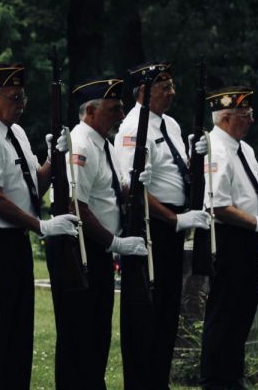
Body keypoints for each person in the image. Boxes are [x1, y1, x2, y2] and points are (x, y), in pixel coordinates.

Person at [0, 63, 78, 390]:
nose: (22, 104)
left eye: (23, 97)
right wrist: (41, 226)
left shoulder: (13, 131)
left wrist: (52, 158)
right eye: (14, 98)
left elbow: (33, 188)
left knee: (18, 333)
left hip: (15, 240)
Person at [113, 62, 211, 390]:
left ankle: (158, 380)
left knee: (168, 309)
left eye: (171, 85)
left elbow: (178, 171)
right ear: (144, 91)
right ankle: (140, 382)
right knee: (144, 310)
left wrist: (199, 158)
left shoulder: (169, 124)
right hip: (149, 225)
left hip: (173, 225)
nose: (172, 93)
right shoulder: (131, 128)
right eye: (164, 87)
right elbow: (132, 189)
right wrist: (172, 218)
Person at [49, 77, 147, 390]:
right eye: (113, 109)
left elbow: (109, 191)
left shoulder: (103, 143)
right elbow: (76, 205)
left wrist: (134, 185)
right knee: (79, 332)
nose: (121, 115)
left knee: (97, 330)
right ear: (90, 111)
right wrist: (114, 242)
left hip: (99, 248)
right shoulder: (81, 144)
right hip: (81, 248)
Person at [196, 87, 258, 390]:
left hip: (246, 238)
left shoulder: (242, 148)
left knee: (243, 310)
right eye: (244, 116)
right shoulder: (217, 149)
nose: (251, 120)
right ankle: (214, 379)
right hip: (228, 237)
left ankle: (233, 376)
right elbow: (218, 205)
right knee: (224, 312)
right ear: (225, 119)